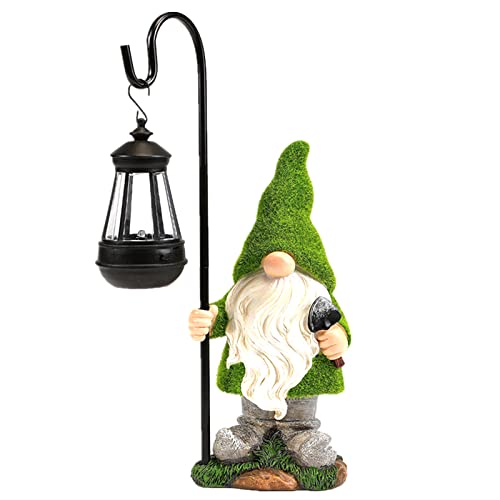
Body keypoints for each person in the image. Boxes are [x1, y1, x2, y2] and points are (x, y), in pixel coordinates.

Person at [188, 141, 350, 468]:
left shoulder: (315, 296)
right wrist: (208, 319)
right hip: (254, 374)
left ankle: (303, 437)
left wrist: (338, 337)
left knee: (302, 423)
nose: (275, 265)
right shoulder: (244, 296)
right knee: (251, 420)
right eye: (267, 256)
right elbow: (223, 315)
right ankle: (248, 433)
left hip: (302, 379)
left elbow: (339, 327)